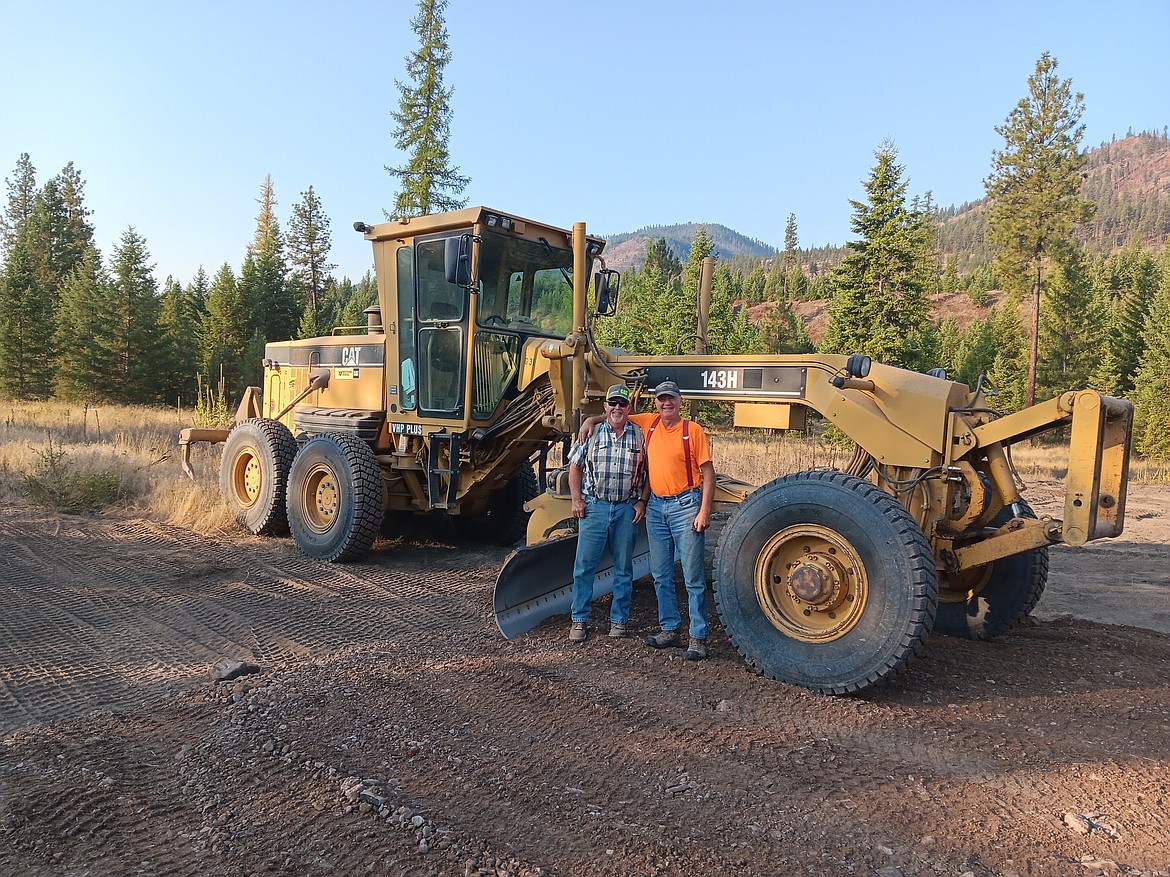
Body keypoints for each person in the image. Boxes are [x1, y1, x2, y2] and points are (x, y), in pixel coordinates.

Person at [581, 380, 715, 660]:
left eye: (671, 398)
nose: (666, 403)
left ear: (680, 401)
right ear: (656, 403)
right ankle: (670, 629)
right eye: (662, 399)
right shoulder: (649, 423)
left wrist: (704, 510)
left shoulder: (693, 431)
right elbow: (617, 415)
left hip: (685, 506)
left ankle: (698, 637)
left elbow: (708, 473)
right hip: (655, 507)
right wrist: (591, 420)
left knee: (692, 577)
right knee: (661, 574)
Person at [566, 384, 647, 643]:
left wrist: (642, 501)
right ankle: (579, 620)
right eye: (613, 403)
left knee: (623, 569)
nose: (617, 408)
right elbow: (575, 467)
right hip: (595, 508)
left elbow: (651, 472)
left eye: (622, 403)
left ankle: (619, 621)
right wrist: (576, 500)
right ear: (605, 406)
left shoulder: (640, 435)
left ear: (629, 408)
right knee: (584, 567)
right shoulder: (590, 434)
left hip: (626, 509)